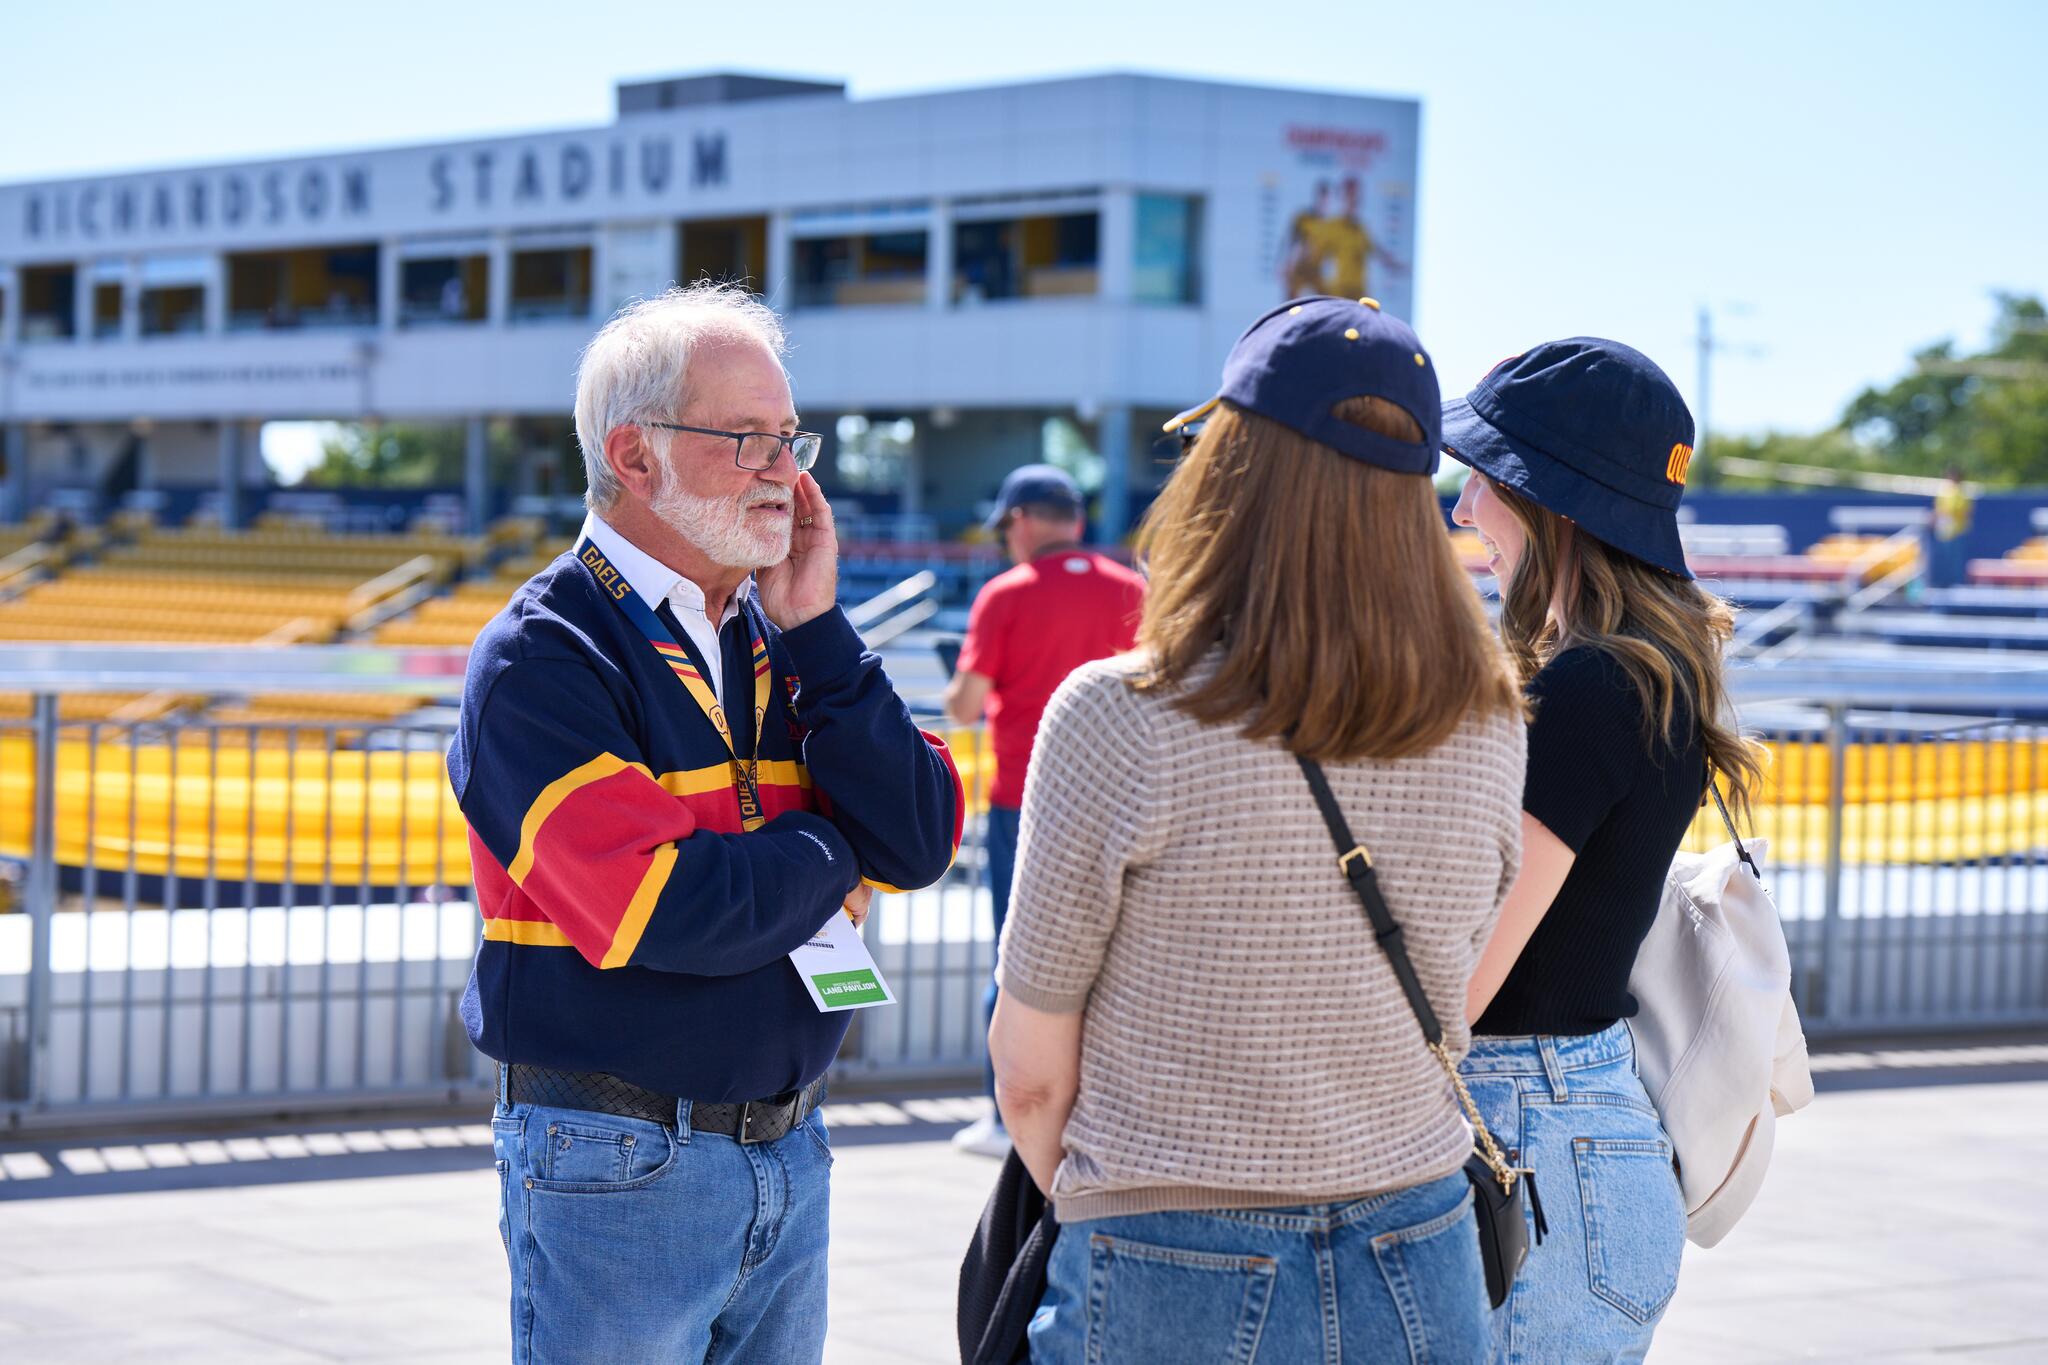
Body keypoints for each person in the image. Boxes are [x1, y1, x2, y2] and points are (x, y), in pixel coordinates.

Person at [989, 297, 1528, 1363]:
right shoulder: (1489, 722)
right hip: (1419, 1238)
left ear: (1226, 472)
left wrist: (1125, 1206)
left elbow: (1031, 1073)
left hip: (1166, 1247)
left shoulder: (1120, 715)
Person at [451, 282, 963, 1364]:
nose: (785, 472)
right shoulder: (544, 655)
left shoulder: (781, 629)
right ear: (633, 458)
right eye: (746, 440)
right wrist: (830, 849)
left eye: (788, 438)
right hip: (618, 1162)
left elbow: (916, 839)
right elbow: (665, 905)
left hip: (790, 1145)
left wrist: (824, 635)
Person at [1445, 338, 1766, 1363]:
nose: (1460, 511)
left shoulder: (1584, 692)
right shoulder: (1643, 676)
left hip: (1525, 1145)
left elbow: (1466, 982)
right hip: (1567, 1146)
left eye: (1481, 482)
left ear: (1552, 506)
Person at [943, 464, 1146, 1158]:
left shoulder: (1007, 594)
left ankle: (1006, 1117)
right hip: (1125, 801)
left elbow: (964, 705)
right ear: (1078, 522)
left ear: (1023, 519)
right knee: (1115, 960)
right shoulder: (1134, 589)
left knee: (1017, 952)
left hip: (1025, 801)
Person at [1928, 462, 1973, 589]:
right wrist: (1934, 520)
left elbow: (1965, 512)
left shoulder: (1962, 493)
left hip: (1957, 531)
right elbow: (1938, 509)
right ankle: (1942, 583)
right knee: (1943, 558)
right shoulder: (1943, 492)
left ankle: (1957, 584)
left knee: (1955, 560)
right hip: (1943, 531)